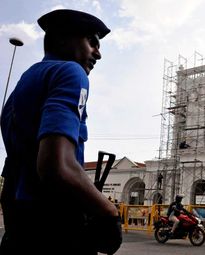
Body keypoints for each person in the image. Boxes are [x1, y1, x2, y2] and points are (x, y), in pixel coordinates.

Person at [0, 9, 121, 255]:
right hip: (55, 226)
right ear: (64, 39)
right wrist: (109, 212)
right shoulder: (70, 72)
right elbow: (57, 165)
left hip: (20, 224)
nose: (98, 53)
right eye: (92, 42)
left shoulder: (26, 80)